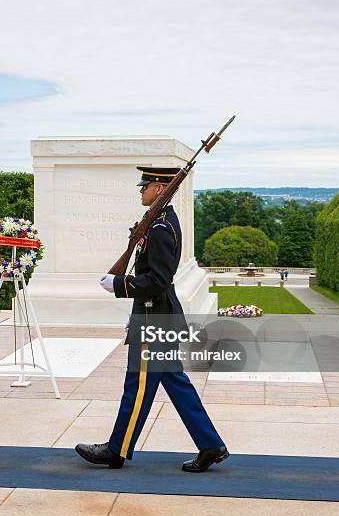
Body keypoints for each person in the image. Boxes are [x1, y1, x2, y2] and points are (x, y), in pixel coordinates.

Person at [75, 166, 229, 472]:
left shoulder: (160, 228)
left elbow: (157, 280)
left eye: (145, 186)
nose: (141, 190)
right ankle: (211, 445)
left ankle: (116, 450)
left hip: (154, 319)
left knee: (138, 384)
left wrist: (119, 285)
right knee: (174, 381)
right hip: (157, 315)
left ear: (160, 188)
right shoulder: (159, 222)